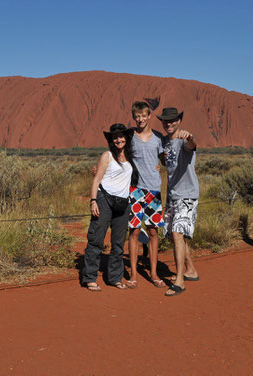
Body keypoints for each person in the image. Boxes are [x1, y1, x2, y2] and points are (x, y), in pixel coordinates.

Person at [82, 124, 136, 291]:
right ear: (112, 140)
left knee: (118, 244)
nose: (119, 140)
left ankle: (115, 278)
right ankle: (90, 278)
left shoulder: (130, 157)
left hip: (123, 203)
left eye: (121, 136)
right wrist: (93, 201)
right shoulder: (107, 156)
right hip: (104, 199)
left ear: (126, 138)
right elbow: (97, 179)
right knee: (96, 239)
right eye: (115, 137)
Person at [157, 107, 200, 297]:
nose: (169, 123)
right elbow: (166, 160)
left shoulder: (184, 140)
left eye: (173, 120)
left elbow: (192, 145)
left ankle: (180, 281)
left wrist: (190, 136)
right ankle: (191, 270)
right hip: (172, 194)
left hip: (187, 195)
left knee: (176, 235)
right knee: (179, 236)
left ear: (179, 121)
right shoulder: (165, 142)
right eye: (166, 121)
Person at [126, 100, 166, 289]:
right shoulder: (130, 136)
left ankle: (154, 273)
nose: (140, 119)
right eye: (137, 116)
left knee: (152, 232)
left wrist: (162, 166)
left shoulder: (158, 137)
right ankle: (133, 274)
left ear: (149, 116)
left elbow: (166, 160)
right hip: (135, 190)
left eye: (143, 115)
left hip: (154, 190)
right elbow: (119, 157)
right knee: (133, 232)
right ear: (134, 117)